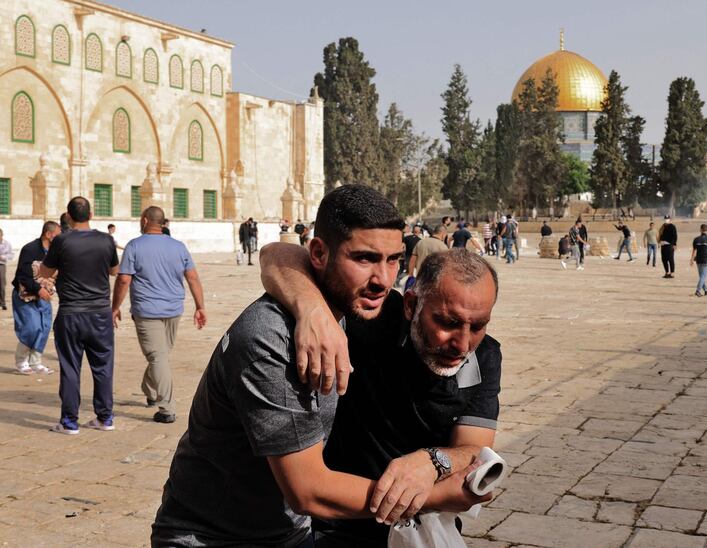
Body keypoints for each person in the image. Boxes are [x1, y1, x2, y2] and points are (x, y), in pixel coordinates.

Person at [152, 185, 483, 547]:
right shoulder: (271, 340)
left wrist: (312, 307)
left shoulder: (349, 308)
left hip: (289, 535)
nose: (383, 280)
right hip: (213, 537)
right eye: (364, 259)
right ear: (320, 254)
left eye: (393, 260)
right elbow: (308, 491)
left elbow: (280, 254)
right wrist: (435, 497)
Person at [261, 248, 501, 547]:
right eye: (448, 323)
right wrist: (312, 310)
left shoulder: (486, 356)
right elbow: (277, 256)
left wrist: (432, 462)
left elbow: (473, 446)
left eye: (477, 326)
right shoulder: (375, 318)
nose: (463, 344)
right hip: (336, 526)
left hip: (418, 531)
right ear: (412, 305)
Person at [111, 206, 207, 424]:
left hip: (147, 310)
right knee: (159, 355)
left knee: (158, 356)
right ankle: (155, 394)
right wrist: (200, 306)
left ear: (145, 220)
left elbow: (124, 279)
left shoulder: (134, 246)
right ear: (162, 223)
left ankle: (165, 407)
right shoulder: (178, 246)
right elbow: (192, 277)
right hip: (173, 310)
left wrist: (115, 306)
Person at [39, 197, 119, 434]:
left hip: (72, 313)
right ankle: (105, 418)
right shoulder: (106, 240)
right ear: (91, 215)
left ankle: (70, 422)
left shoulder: (62, 240)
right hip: (100, 313)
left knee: (71, 367)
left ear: (68, 216)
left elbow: (45, 270)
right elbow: (114, 270)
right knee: (103, 367)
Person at [11, 221, 60, 374]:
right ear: (48, 234)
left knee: (44, 328)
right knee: (32, 328)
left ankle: (36, 362)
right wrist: (39, 289)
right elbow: (22, 276)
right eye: (58, 235)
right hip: (26, 295)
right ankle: (21, 361)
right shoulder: (30, 249)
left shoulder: (56, 252)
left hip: (45, 297)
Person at [690, 224, 707, 297]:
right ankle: (698, 290)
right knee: (703, 276)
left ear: (700, 229)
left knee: (701, 276)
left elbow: (694, 250)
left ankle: (705, 289)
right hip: (706, 260)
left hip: (698, 260)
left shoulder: (696, 239)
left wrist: (692, 259)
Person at [0, 228, 13, 310]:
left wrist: (2, 257)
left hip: (1, 265)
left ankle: (3, 303)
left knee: (2, 284)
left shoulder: (7, 244)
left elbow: (11, 255)